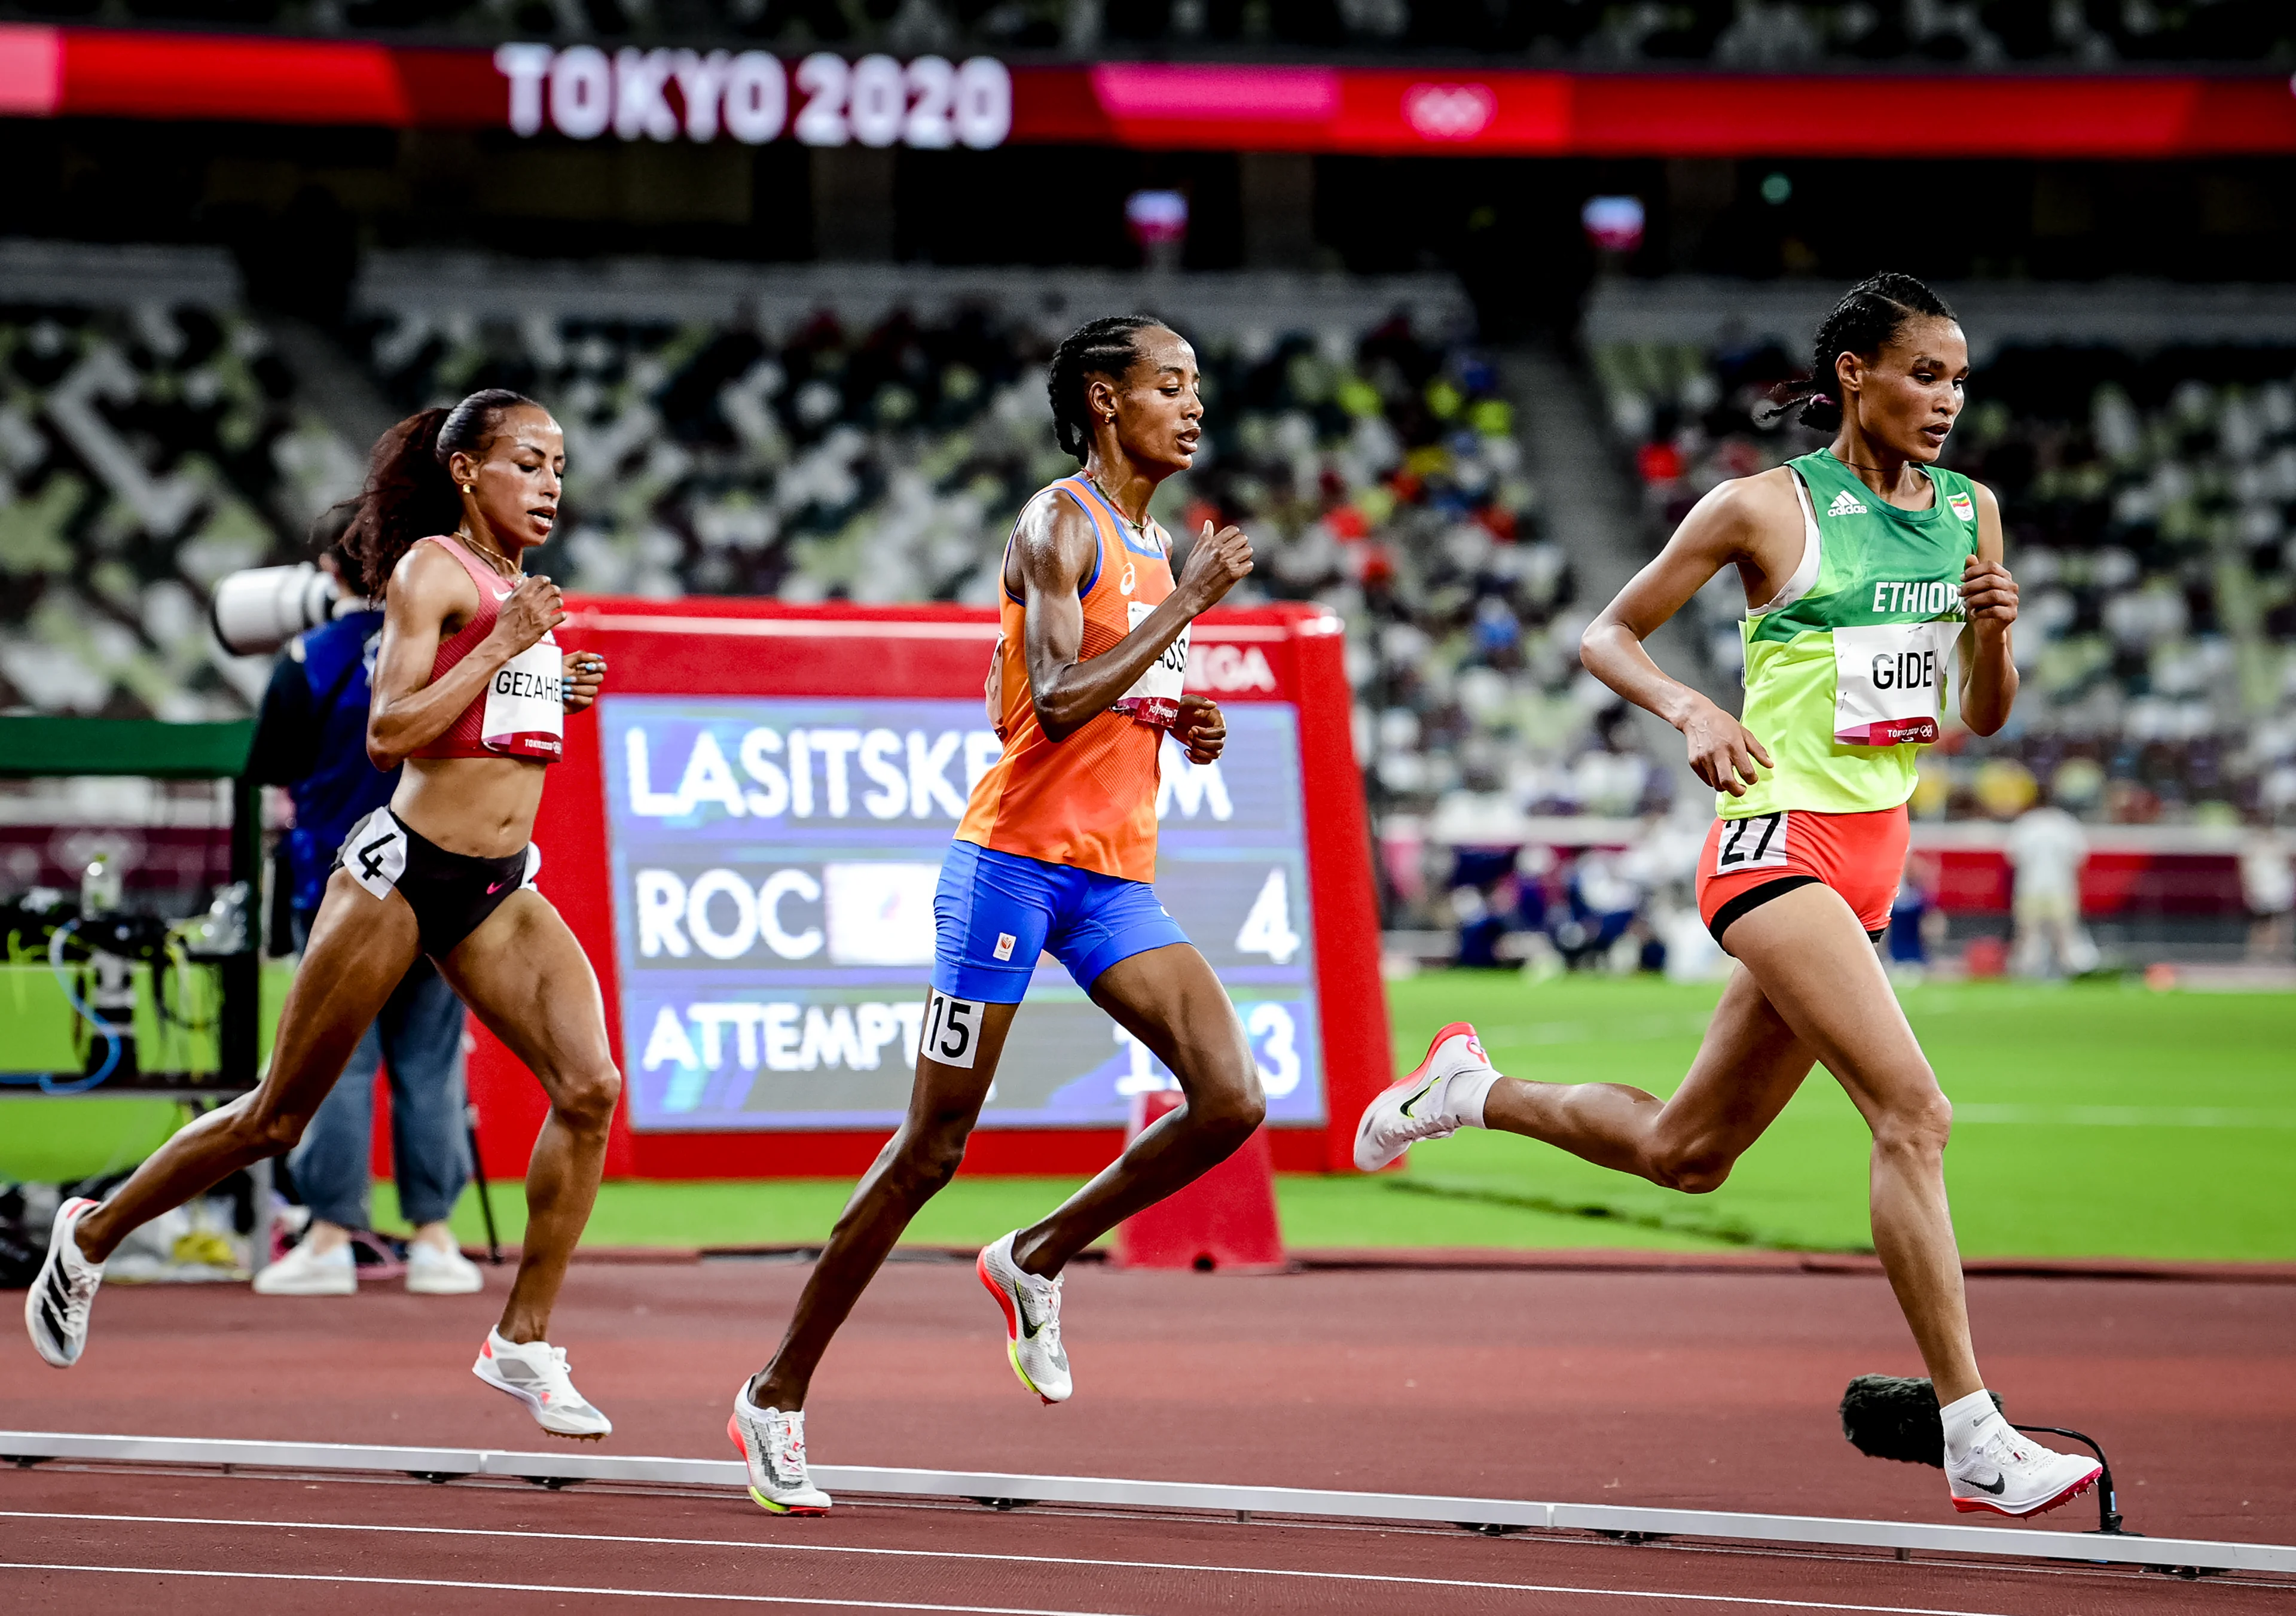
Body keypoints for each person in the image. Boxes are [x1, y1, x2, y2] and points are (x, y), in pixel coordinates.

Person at [1355, 275, 2103, 1520]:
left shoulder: (1975, 514)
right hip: (1773, 842)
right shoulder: (1765, 507)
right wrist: (1695, 707)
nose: (1948, 402)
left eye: (1961, 381)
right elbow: (1607, 634)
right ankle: (1972, 1429)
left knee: (1685, 1152)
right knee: (1913, 1113)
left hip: (1873, 853)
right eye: (1925, 374)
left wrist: (1999, 635)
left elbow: (1980, 713)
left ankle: (1466, 1090)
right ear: (1855, 371)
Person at [728, 316, 1259, 1516]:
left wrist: (1189, 720)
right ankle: (774, 1393)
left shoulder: (1149, 537)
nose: (1194, 407)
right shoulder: (1056, 521)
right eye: (1172, 385)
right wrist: (1190, 607)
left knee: (1231, 1098)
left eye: (1199, 386)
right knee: (931, 1148)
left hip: (1112, 879)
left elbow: (1080, 698)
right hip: (1010, 873)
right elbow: (1059, 705)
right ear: (1103, 399)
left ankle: (1034, 1256)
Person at [28, 389, 624, 1440]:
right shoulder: (432, 570)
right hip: (399, 872)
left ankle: (523, 1341)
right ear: (467, 473)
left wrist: (550, 685)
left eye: (560, 468)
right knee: (277, 1116)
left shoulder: (517, 587)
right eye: (528, 464)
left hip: (495, 885)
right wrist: (504, 650)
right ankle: (91, 1233)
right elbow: (392, 730)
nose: (550, 487)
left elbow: (480, 726)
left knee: (589, 1087)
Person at [246, 530, 483, 1298]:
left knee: (340, 1065)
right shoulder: (448, 647)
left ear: (330, 571)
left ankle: (328, 1236)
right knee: (431, 1065)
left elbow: (269, 765)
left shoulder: (308, 656)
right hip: (439, 882)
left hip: (340, 890)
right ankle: (435, 1241)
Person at [2003, 795, 2094, 978]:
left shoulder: (2027, 824)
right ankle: (2066, 972)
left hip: (2031, 889)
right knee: (2063, 935)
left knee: (2032, 936)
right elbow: (2080, 859)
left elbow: (2012, 858)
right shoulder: (2066, 824)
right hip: (2060, 889)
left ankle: (2029, 972)